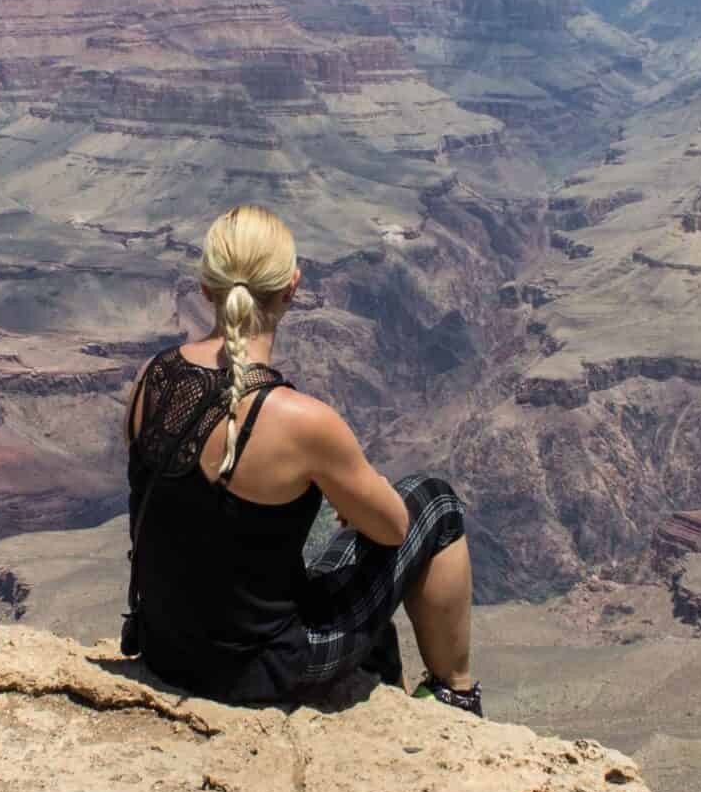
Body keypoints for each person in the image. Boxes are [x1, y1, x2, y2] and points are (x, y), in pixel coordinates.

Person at [121, 203, 482, 715]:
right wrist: (355, 488)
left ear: (205, 287)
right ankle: (457, 695)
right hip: (255, 670)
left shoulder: (149, 380)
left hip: (164, 649)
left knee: (330, 563)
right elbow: (395, 531)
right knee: (434, 502)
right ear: (293, 286)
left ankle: (387, 682)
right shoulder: (300, 420)